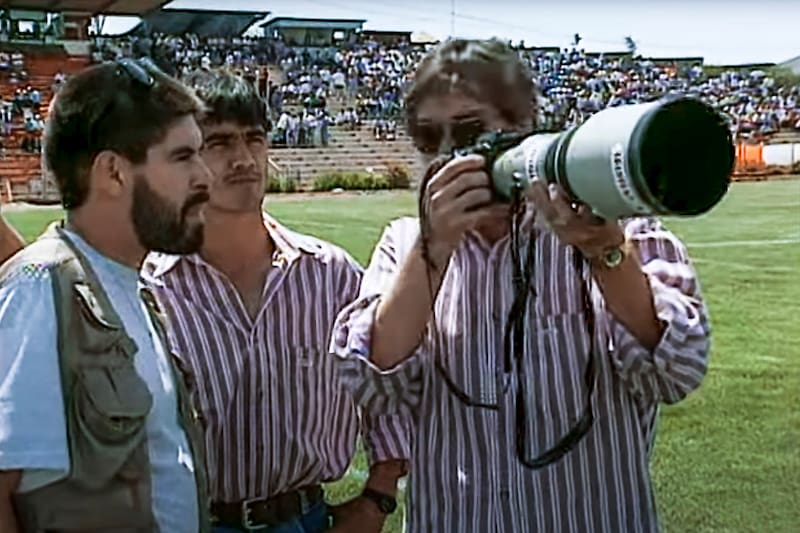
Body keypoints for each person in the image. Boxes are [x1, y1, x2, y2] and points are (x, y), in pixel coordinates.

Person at [330, 38, 711, 532]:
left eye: (470, 132)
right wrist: (432, 250)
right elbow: (371, 386)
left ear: (525, 126)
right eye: (428, 138)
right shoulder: (404, 245)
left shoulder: (618, 226)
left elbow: (677, 372)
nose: (448, 155)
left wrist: (606, 252)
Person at [142, 69, 407, 533]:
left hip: (306, 518)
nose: (244, 158)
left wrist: (378, 498)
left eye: (254, 138)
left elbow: (385, 385)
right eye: (219, 143)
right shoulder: (150, 288)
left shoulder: (331, 274)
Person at [0, 58, 213, 533]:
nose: (205, 177)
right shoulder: (42, 289)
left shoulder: (129, 287)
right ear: (113, 173)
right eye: (182, 157)